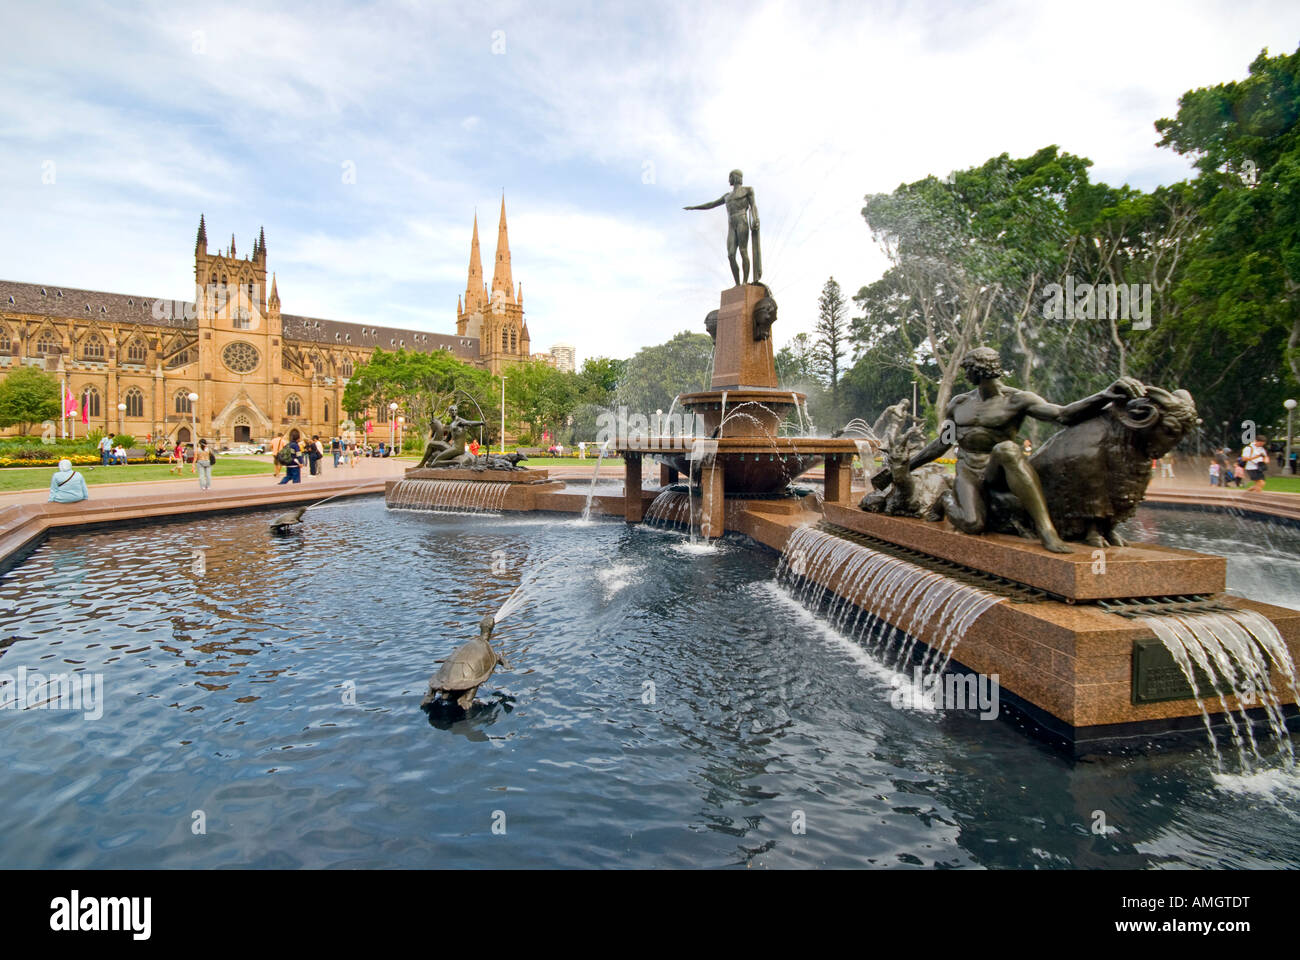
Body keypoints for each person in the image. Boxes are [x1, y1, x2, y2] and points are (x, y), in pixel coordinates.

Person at [878, 346, 1145, 553]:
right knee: (972, 525)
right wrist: (900, 469)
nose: (964, 374)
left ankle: (1046, 530)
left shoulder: (1017, 400)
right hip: (968, 470)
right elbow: (942, 443)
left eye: (966, 369)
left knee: (1006, 448)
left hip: (998, 471)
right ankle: (947, 499)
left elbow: (1063, 415)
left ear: (978, 371)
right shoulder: (958, 404)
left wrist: (1105, 395)